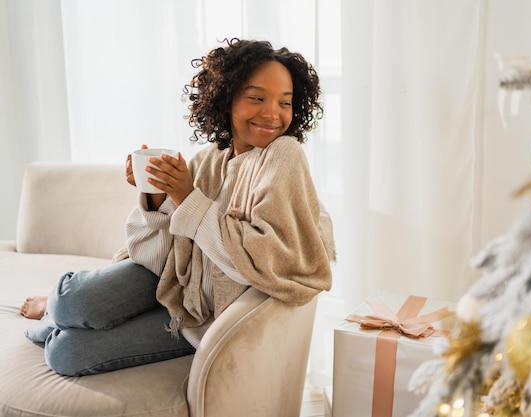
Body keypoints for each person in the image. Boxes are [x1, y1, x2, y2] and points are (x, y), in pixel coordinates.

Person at [22, 38, 335, 377]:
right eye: (256, 98)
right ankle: (55, 311)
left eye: (284, 102)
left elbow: (262, 260)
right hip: (176, 282)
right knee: (73, 298)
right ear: (226, 98)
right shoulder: (207, 161)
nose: (272, 113)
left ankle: (53, 319)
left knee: (66, 354)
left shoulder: (284, 156)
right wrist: (155, 197)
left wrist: (188, 198)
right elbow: (155, 255)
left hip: (206, 317)